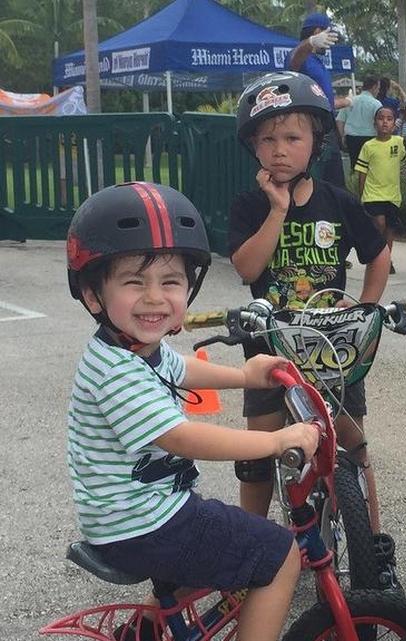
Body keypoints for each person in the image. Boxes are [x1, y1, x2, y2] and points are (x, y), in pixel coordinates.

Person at [64, 182, 320, 641]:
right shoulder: (114, 371)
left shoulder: (135, 347)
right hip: (144, 523)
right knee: (281, 554)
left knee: (216, 551)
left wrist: (247, 375)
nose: (155, 298)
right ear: (92, 293)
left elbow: (180, 369)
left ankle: (143, 631)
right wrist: (277, 440)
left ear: (190, 285)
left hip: (134, 516)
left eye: (170, 281)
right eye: (133, 281)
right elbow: (181, 437)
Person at [228, 72, 403, 594]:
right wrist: (278, 210)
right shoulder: (249, 204)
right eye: (268, 139)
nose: (280, 150)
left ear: (316, 142)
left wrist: (366, 311)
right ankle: (252, 547)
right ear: (253, 145)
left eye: (292, 137)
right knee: (259, 448)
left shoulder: (339, 200)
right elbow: (245, 267)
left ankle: (372, 541)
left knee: (352, 441)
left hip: (333, 347)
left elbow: (379, 255)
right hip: (270, 347)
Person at [289, 12, 350, 188]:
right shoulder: (301, 56)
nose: (330, 41)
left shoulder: (317, 61)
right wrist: (310, 42)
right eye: (328, 33)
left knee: (335, 180)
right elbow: (295, 61)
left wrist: (346, 101)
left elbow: (323, 98)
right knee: (318, 179)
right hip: (312, 125)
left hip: (327, 124)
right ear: (318, 31)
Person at [356, 104, 406, 274]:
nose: (384, 122)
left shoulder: (399, 143)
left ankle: (386, 259)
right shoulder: (368, 146)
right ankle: (375, 255)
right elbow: (362, 172)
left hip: (393, 195)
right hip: (372, 194)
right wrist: (362, 195)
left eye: (389, 119)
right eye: (381, 119)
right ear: (374, 123)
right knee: (379, 223)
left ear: (394, 124)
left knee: (389, 229)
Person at [337, 75, 383, 170]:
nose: (378, 91)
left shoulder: (350, 101)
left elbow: (340, 121)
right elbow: (380, 124)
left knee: (354, 166)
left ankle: (354, 183)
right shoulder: (376, 104)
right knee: (370, 167)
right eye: (378, 88)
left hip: (351, 138)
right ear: (374, 87)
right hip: (370, 138)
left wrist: (341, 138)